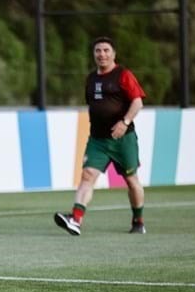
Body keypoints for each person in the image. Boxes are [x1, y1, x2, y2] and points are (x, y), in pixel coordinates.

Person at [54, 36, 147, 236]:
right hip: (97, 140)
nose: (102, 54)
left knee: (131, 180)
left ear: (114, 54)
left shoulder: (123, 75)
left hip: (123, 140)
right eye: (98, 50)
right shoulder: (91, 79)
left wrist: (125, 122)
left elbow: (137, 102)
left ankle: (138, 221)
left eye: (106, 50)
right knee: (87, 176)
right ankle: (76, 220)